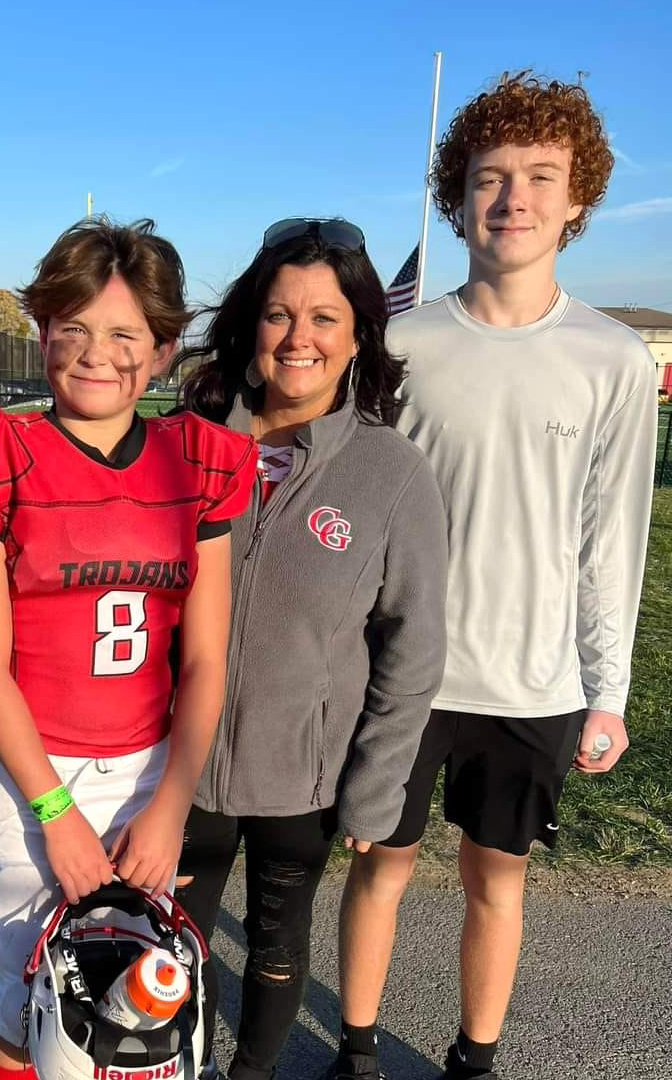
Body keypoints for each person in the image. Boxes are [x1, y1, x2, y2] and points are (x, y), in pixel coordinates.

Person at [330, 72, 658, 1080]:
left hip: (531, 686)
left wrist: (606, 693)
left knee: (496, 882)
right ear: (457, 196)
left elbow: (614, 539)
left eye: (539, 177)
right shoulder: (403, 342)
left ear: (576, 202)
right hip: (406, 677)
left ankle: (475, 1058)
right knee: (378, 868)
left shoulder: (611, 359)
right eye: (489, 177)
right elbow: (362, 519)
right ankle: (354, 1048)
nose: (512, 197)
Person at [0, 217, 258, 1080]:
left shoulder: (199, 463)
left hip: (149, 764)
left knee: (135, 1000)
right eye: (74, 329)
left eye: (124, 335)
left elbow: (207, 658)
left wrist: (173, 803)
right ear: (42, 332)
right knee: (27, 997)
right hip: (35, 769)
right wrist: (55, 815)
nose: (95, 354)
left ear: (166, 348)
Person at [173, 217, 449, 1080]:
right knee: (169, 954)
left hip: (305, 778)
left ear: (359, 333)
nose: (300, 339)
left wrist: (376, 790)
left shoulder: (392, 471)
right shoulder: (190, 442)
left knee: (274, 946)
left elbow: (415, 648)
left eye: (325, 318)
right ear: (251, 323)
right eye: (280, 314)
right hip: (185, 766)